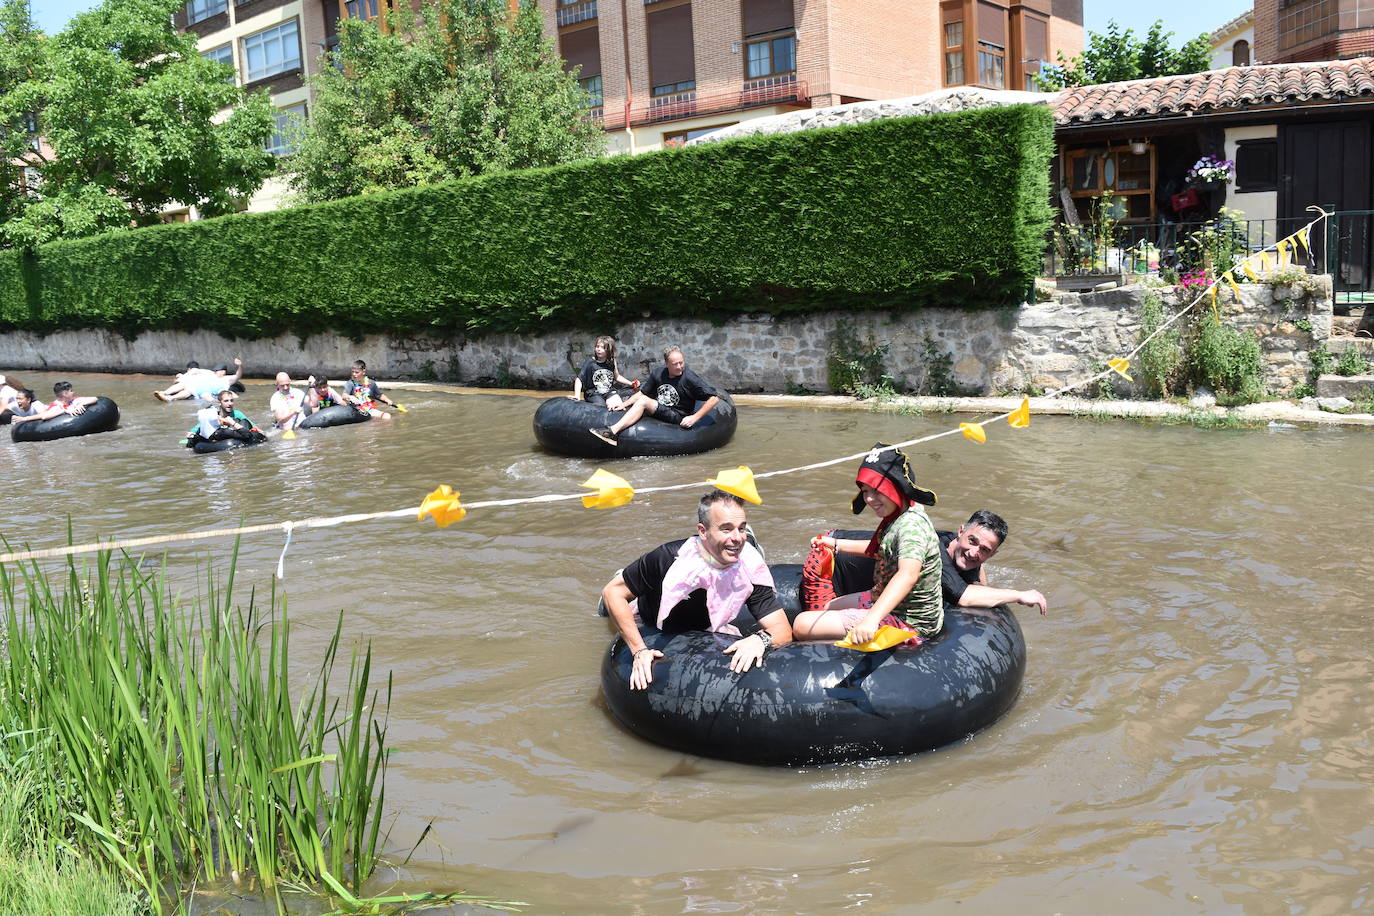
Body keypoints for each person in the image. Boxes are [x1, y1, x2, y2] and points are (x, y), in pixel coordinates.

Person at [601, 490, 793, 690]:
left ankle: (743, 540)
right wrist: (639, 650)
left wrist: (760, 639)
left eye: (741, 529)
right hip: (650, 620)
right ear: (703, 531)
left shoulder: (750, 569)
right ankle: (626, 574)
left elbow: (783, 629)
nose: (737, 537)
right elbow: (612, 593)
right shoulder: (667, 558)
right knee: (610, 604)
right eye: (726, 529)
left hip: (704, 628)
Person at [793, 444, 943, 646]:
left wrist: (871, 619)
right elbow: (880, 550)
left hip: (909, 622)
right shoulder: (899, 514)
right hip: (883, 597)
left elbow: (908, 574)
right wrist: (835, 544)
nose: (870, 499)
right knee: (827, 607)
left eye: (877, 490)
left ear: (895, 486)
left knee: (802, 625)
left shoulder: (911, 526)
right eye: (865, 491)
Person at [590, 346, 719, 446]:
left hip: (678, 415)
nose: (680, 367)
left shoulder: (689, 378)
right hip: (661, 409)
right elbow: (642, 392)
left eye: (681, 363)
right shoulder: (658, 373)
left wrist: (694, 417)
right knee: (640, 401)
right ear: (667, 364)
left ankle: (612, 432)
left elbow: (714, 398)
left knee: (644, 401)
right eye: (675, 364)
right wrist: (623, 404)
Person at [939, 510, 1048, 615]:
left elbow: (979, 568)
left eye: (985, 549)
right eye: (972, 541)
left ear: (992, 554)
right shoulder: (935, 552)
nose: (973, 553)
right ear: (961, 531)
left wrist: (983, 586)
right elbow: (963, 597)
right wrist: (1018, 595)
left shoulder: (969, 549)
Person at [570, 336, 635, 408]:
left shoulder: (612, 362)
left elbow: (617, 376)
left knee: (617, 403)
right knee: (601, 406)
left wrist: (630, 383)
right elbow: (579, 379)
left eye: (603, 348)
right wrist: (577, 395)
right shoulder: (590, 362)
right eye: (597, 346)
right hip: (593, 393)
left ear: (609, 350)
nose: (599, 349)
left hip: (608, 392)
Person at [187, 389, 263, 445]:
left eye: (231, 400)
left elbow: (251, 425)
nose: (230, 404)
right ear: (220, 403)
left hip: (238, 434)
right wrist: (192, 432)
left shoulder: (237, 414)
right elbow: (201, 426)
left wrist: (259, 432)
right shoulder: (214, 416)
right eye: (226, 401)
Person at [154, 358, 243, 402]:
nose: (218, 372)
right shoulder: (209, 373)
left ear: (224, 372)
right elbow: (195, 371)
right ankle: (164, 393)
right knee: (185, 386)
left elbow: (238, 375)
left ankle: (171, 398)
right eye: (216, 371)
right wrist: (182, 376)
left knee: (195, 392)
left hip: (208, 392)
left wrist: (240, 366)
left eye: (220, 371)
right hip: (198, 388)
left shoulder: (227, 379)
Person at [32, 381, 98, 421]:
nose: (73, 392)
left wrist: (81, 404)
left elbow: (95, 398)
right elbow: (44, 417)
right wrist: (64, 410)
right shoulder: (56, 406)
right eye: (71, 391)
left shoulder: (74, 400)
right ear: (65, 394)